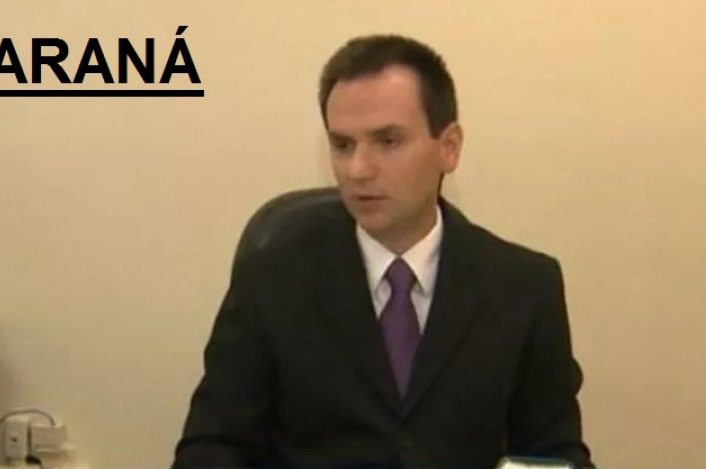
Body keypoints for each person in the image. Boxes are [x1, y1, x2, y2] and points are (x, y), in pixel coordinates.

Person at [171, 33, 595, 469]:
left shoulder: (523, 287)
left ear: (449, 148)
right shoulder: (273, 278)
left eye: (387, 141)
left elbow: (548, 454)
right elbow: (211, 448)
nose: (358, 170)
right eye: (343, 145)